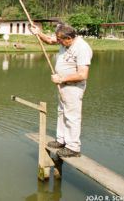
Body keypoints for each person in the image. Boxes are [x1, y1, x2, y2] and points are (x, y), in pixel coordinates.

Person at [30, 23, 93, 157]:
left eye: (60, 40)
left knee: (72, 116)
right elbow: (49, 40)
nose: (57, 42)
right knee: (62, 113)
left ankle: (73, 147)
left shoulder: (82, 48)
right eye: (58, 39)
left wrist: (61, 78)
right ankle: (62, 140)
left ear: (69, 38)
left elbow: (83, 75)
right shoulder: (64, 42)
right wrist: (38, 32)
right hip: (63, 85)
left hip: (73, 87)